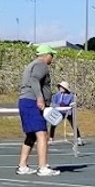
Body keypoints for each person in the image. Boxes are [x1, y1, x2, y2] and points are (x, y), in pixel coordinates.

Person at [16, 44, 61, 176]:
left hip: (25, 102)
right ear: (46, 55)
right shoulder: (41, 65)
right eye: (51, 55)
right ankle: (43, 167)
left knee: (31, 135)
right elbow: (34, 79)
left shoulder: (31, 65)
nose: (52, 58)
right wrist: (40, 98)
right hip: (32, 102)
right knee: (42, 134)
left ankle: (22, 165)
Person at [48, 81, 85, 146]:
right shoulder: (57, 95)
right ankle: (51, 139)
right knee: (53, 124)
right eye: (60, 87)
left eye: (62, 87)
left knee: (73, 124)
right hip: (59, 112)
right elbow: (53, 103)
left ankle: (79, 139)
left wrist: (70, 105)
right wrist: (57, 106)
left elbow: (72, 103)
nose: (60, 88)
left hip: (68, 112)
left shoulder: (70, 95)